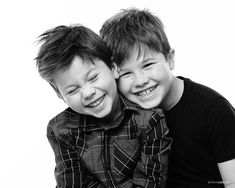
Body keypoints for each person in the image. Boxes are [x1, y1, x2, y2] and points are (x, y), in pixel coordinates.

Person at [100, 8, 235, 188]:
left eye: (148, 65)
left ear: (170, 59)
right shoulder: (123, 115)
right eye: (125, 74)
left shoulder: (213, 110)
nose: (140, 81)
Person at [35, 24, 172, 188]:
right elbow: (71, 183)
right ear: (60, 95)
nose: (87, 93)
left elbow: (151, 183)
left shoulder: (150, 120)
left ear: (113, 68)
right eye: (72, 90)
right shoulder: (61, 129)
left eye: (93, 78)